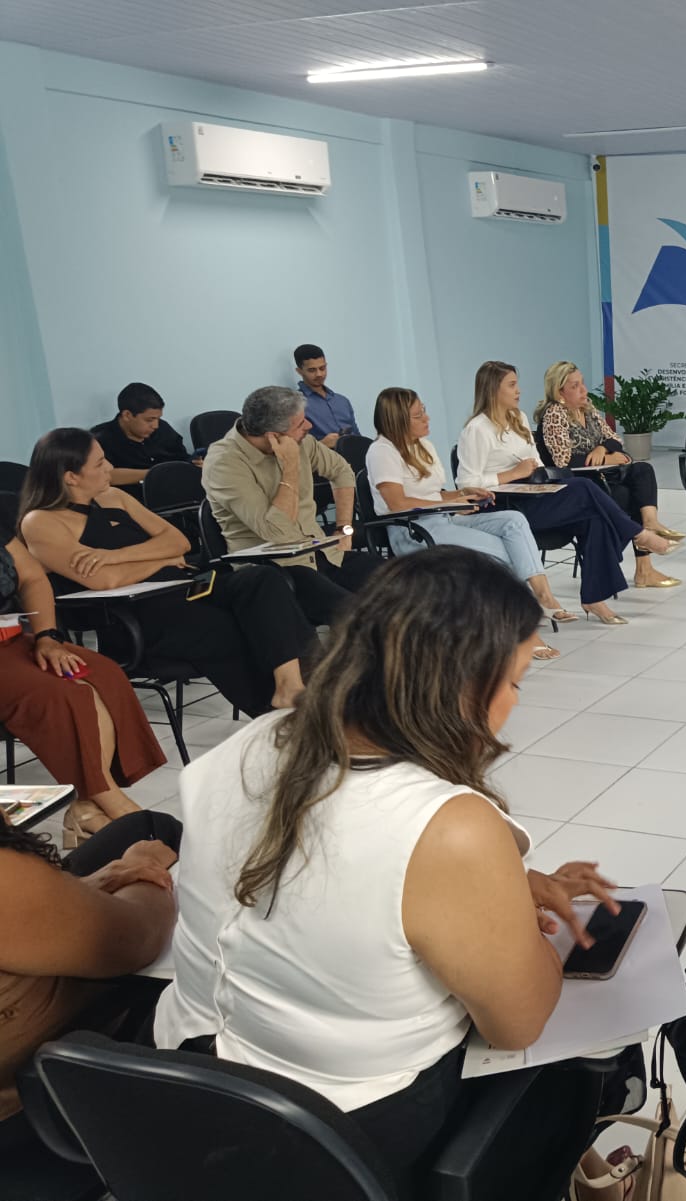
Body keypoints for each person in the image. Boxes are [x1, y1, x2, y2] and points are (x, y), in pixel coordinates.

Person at [154, 547, 623, 1187]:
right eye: (514, 682)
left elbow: (330, 881)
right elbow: (518, 1024)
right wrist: (513, 914)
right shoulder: (447, 828)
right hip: (333, 1131)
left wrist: (502, 885)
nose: (514, 702)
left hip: (181, 1082)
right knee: (600, 1061)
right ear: (465, 687)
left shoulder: (251, 743)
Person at [19, 427, 317, 714]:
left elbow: (179, 542)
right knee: (225, 625)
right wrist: (161, 560)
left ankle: (294, 686)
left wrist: (116, 556)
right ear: (71, 477)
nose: (110, 467)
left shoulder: (115, 498)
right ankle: (276, 716)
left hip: (185, 584)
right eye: (99, 463)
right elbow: (105, 580)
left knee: (263, 578)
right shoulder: (41, 522)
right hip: (138, 612)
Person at [0, 810, 178, 1148]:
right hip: (36, 1103)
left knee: (144, 826)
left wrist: (77, 890)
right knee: (157, 837)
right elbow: (141, 936)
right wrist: (146, 868)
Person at [457, 360, 677, 624]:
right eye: (512, 385)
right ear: (493, 389)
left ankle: (594, 598)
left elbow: (536, 463)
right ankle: (639, 533)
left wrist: (534, 473)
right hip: (505, 504)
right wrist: (511, 474)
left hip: (532, 492)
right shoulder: (477, 429)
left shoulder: (519, 419)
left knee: (593, 517)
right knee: (583, 487)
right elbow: (466, 483)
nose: (519, 391)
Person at [367, 387, 569, 660]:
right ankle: (524, 632)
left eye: (424, 410)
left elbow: (433, 494)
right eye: (418, 415)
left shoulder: (423, 446)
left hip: (443, 518)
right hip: (413, 531)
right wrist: (449, 504)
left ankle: (542, 595)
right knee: (500, 555)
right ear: (397, 420)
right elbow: (397, 503)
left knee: (513, 521)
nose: (427, 418)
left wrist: (463, 494)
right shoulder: (382, 451)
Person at [0, 535, 164, 845]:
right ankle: (117, 807)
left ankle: (86, 809)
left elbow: (33, 578)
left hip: (12, 637)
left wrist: (47, 637)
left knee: (103, 674)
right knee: (63, 696)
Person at [203, 385, 382, 621]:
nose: (309, 426)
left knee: (403, 583)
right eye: (300, 424)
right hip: (277, 570)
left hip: (324, 553)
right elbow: (276, 532)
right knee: (359, 614)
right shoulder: (224, 463)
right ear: (273, 436)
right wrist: (290, 467)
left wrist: (344, 528)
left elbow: (341, 471)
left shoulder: (300, 440)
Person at [535, 361, 683, 590]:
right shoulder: (554, 413)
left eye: (582, 383)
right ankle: (641, 568)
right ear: (559, 392)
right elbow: (563, 462)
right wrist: (607, 459)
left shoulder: (587, 408)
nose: (583, 390)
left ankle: (650, 524)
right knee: (627, 495)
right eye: (575, 386)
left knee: (642, 470)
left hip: (601, 476)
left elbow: (614, 438)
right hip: (576, 485)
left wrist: (602, 449)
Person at [90, 382, 196, 486]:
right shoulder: (99, 439)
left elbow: (181, 457)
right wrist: (155, 474)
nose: (155, 425)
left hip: (175, 488)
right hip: (133, 495)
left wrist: (195, 462)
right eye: (149, 420)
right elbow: (101, 476)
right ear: (127, 415)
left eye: (158, 418)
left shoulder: (162, 428)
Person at [293, 343, 361, 446]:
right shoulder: (295, 404)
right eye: (312, 370)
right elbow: (294, 447)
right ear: (299, 371)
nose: (319, 374)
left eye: (322, 368)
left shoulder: (342, 401)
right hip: (324, 455)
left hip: (354, 453)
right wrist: (322, 444)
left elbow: (357, 435)